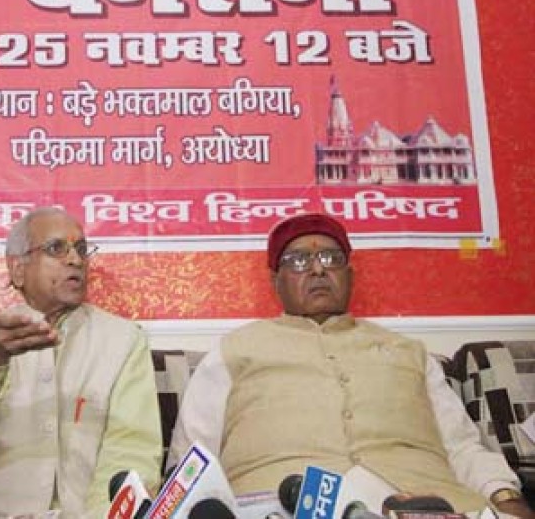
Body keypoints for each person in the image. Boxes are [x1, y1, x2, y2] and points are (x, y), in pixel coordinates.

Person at [169, 212, 534, 518]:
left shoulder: (408, 351)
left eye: (331, 259)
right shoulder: (234, 351)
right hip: (283, 505)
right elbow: (190, 462)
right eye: (298, 261)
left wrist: (504, 496)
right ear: (275, 282)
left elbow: (461, 445)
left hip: (424, 503)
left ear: (350, 275)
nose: (317, 269)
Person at [0, 206, 162, 518]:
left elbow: (131, 452)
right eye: (56, 248)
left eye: (81, 249)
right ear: (17, 269)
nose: (75, 260)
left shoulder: (123, 340)